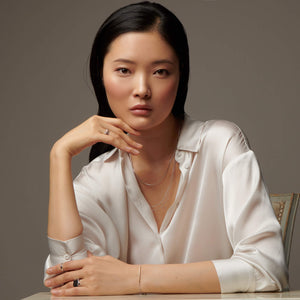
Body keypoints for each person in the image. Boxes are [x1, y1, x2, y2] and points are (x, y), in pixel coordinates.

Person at [43, 1, 288, 296]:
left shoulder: (221, 146)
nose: (142, 88)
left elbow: (267, 268)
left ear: (179, 76)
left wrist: (134, 278)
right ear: (101, 76)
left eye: (160, 72)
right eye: (124, 70)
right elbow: (70, 281)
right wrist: (60, 155)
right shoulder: (96, 180)